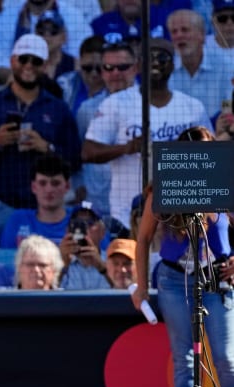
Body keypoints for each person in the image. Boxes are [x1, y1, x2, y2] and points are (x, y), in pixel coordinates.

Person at [132, 125, 234, 387]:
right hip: (175, 277)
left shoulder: (225, 182)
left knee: (226, 357)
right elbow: (143, 238)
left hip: (217, 275)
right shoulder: (164, 187)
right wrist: (141, 286)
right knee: (184, 358)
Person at [83, 38, 212, 235]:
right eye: (149, 58)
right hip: (128, 215)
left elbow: (211, 158)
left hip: (180, 218)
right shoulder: (116, 103)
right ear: (138, 66)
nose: (156, 63)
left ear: (173, 64)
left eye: (162, 57)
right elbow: (88, 152)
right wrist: (126, 148)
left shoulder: (192, 107)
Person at [0, 33, 81, 230]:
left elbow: (76, 159)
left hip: (45, 209)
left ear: (45, 66)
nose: (29, 65)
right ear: (13, 61)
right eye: (23, 59)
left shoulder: (58, 109)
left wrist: (47, 147)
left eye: (36, 61)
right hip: (0, 205)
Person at [75, 39, 139, 217]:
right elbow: (79, 154)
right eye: (109, 68)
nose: (115, 73)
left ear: (135, 68)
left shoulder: (149, 106)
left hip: (136, 204)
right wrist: (78, 187)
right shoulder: (87, 109)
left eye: (123, 67)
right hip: (98, 203)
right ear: (102, 72)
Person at [0, 0, 94, 85]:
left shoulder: (74, 18)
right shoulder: (7, 17)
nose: (47, 36)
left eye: (53, 32)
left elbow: (82, 63)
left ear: (64, 36)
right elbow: (1, 65)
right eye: (41, 31)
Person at [167, 9, 232, 120]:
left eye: (185, 30)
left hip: (216, 131)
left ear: (202, 35)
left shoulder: (226, 66)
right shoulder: (166, 69)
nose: (179, 36)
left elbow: (228, 106)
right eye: (174, 32)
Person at [0, 155, 73, 248]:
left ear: (67, 187)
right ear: (33, 187)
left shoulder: (79, 219)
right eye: (42, 183)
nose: (49, 189)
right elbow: (5, 260)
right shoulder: (18, 219)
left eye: (55, 183)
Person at [58, 202, 111, 290]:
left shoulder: (113, 261)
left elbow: (122, 289)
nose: (84, 228)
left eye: (90, 223)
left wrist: (102, 268)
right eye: (77, 224)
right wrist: (63, 265)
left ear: (102, 232)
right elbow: (47, 291)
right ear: (68, 230)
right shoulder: (57, 261)